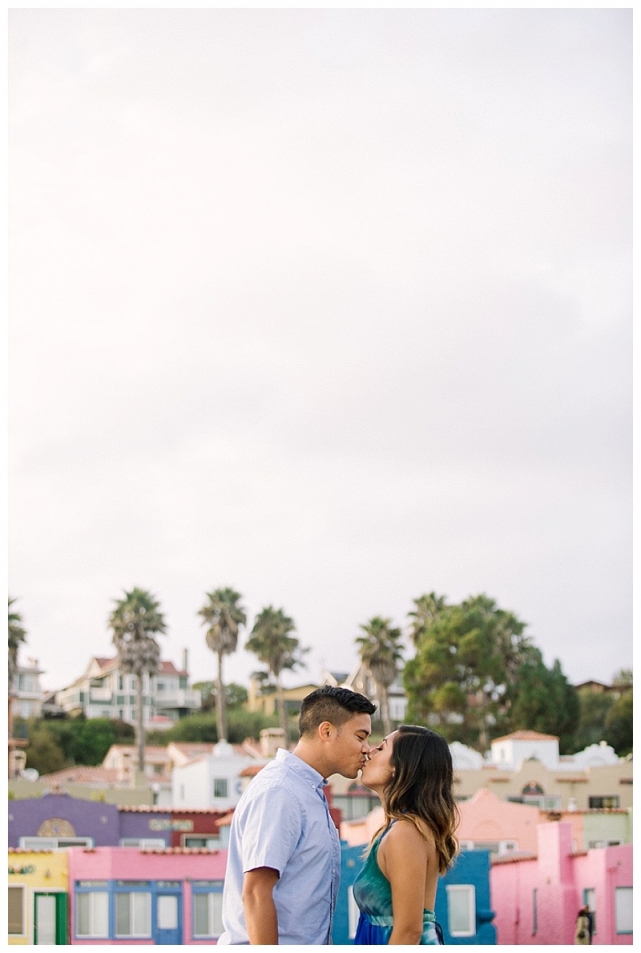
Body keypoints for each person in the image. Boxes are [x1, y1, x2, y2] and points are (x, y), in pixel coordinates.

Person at [218, 685, 376, 945]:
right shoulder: (281, 791)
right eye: (360, 737)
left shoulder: (306, 790)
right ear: (326, 731)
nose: (366, 749)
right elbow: (256, 892)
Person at [353, 725, 459, 945]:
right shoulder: (398, 829)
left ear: (400, 768)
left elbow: (409, 932)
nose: (369, 752)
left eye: (381, 748)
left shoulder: (406, 833)